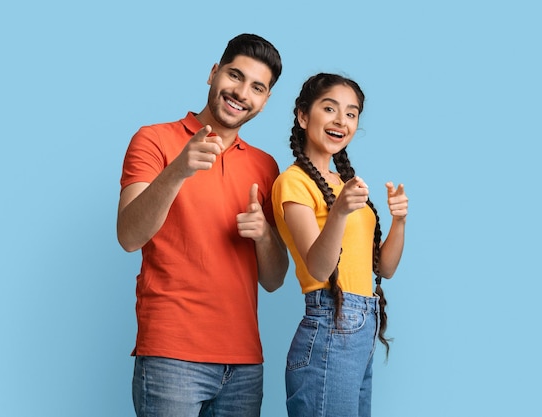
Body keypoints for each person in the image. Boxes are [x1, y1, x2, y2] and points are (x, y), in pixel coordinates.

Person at [117, 33, 289, 417]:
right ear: (213, 73)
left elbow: (275, 279)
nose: (242, 92)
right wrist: (179, 169)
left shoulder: (266, 167)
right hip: (171, 356)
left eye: (257, 87)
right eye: (235, 75)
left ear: (265, 101)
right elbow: (128, 236)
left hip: (244, 364)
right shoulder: (154, 139)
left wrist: (263, 235)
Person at [271, 73, 409, 417]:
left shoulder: (345, 183)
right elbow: (318, 267)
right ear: (303, 116)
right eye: (329, 108)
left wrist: (399, 221)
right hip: (330, 323)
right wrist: (340, 211)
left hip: (362, 326)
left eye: (351, 113)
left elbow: (385, 269)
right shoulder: (293, 183)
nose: (341, 120)